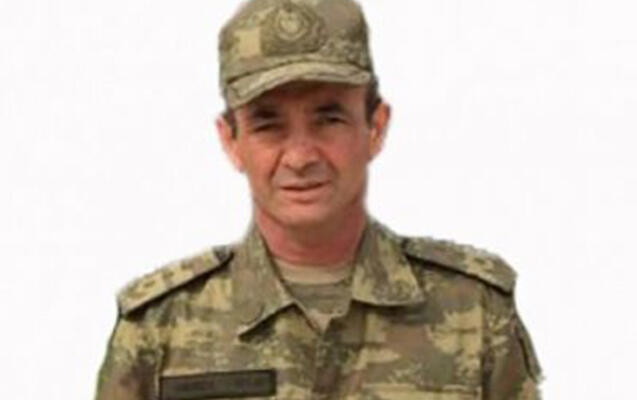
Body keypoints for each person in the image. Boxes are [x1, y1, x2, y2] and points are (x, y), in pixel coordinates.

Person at [94, 0, 543, 399]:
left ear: (376, 127)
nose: (301, 157)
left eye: (329, 119)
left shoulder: (474, 315)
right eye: (268, 125)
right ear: (230, 140)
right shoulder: (159, 329)